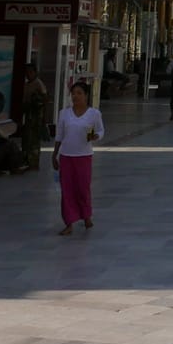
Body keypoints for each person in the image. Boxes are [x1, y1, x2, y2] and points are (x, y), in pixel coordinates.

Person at [54, 81, 104, 235]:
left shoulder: (94, 114)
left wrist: (96, 136)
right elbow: (59, 135)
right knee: (67, 190)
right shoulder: (64, 113)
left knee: (83, 188)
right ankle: (69, 222)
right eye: (73, 93)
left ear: (86, 95)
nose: (75, 96)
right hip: (66, 156)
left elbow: (100, 130)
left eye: (79, 93)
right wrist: (54, 154)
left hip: (84, 156)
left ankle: (86, 216)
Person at [18, 63, 50, 171]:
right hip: (29, 116)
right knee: (27, 138)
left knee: (34, 140)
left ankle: (34, 163)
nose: (28, 74)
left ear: (35, 72)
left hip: (37, 117)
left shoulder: (38, 84)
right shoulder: (26, 85)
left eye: (30, 72)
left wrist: (44, 119)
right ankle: (26, 160)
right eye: (26, 72)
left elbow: (45, 100)